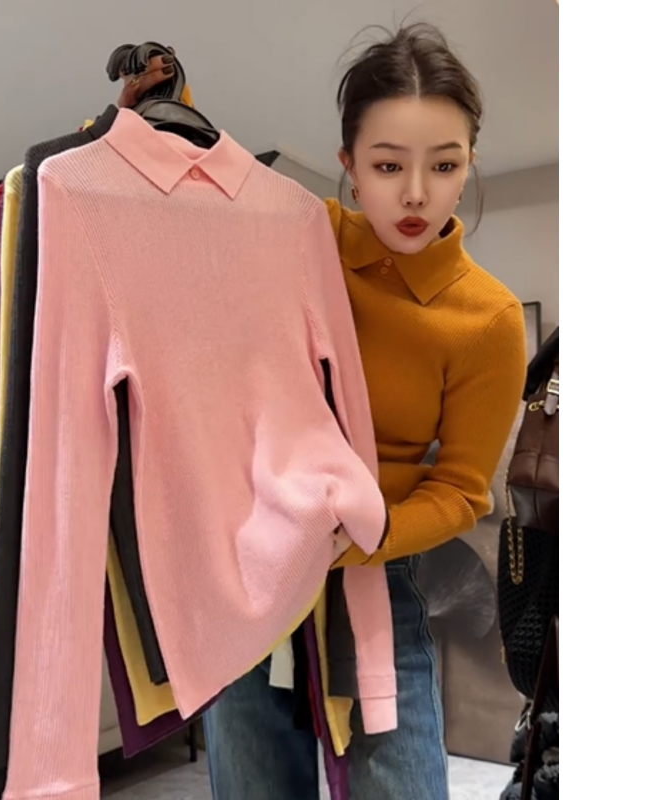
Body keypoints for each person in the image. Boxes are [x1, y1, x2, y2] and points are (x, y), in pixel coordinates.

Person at [122, 22, 526, 799]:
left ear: (470, 163)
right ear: (349, 166)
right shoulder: (297, 238)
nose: (416, 193)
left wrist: (357, 539)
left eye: (444, 165)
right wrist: (161, 109)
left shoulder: (488, 318)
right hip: (255, 572)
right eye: (388, 165)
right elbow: (204, 194)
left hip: (375, 577)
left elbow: (461, 492)